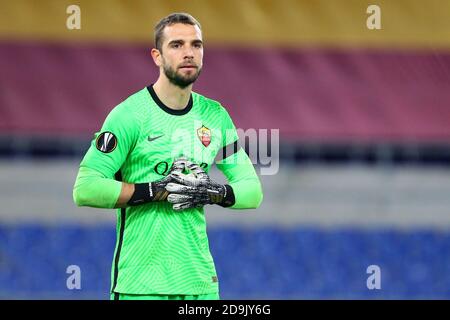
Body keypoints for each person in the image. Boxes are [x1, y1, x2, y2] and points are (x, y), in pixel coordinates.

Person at [73, 12, 263, 300]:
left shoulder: (215, 116)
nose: (188, 53)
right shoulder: (129, 115)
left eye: (196, 45)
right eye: (176, 45)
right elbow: (85, 188)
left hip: (200, 285)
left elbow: (252, 191)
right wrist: (156, 190)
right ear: (157, 56)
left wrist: (210, 192)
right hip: (140, 286)